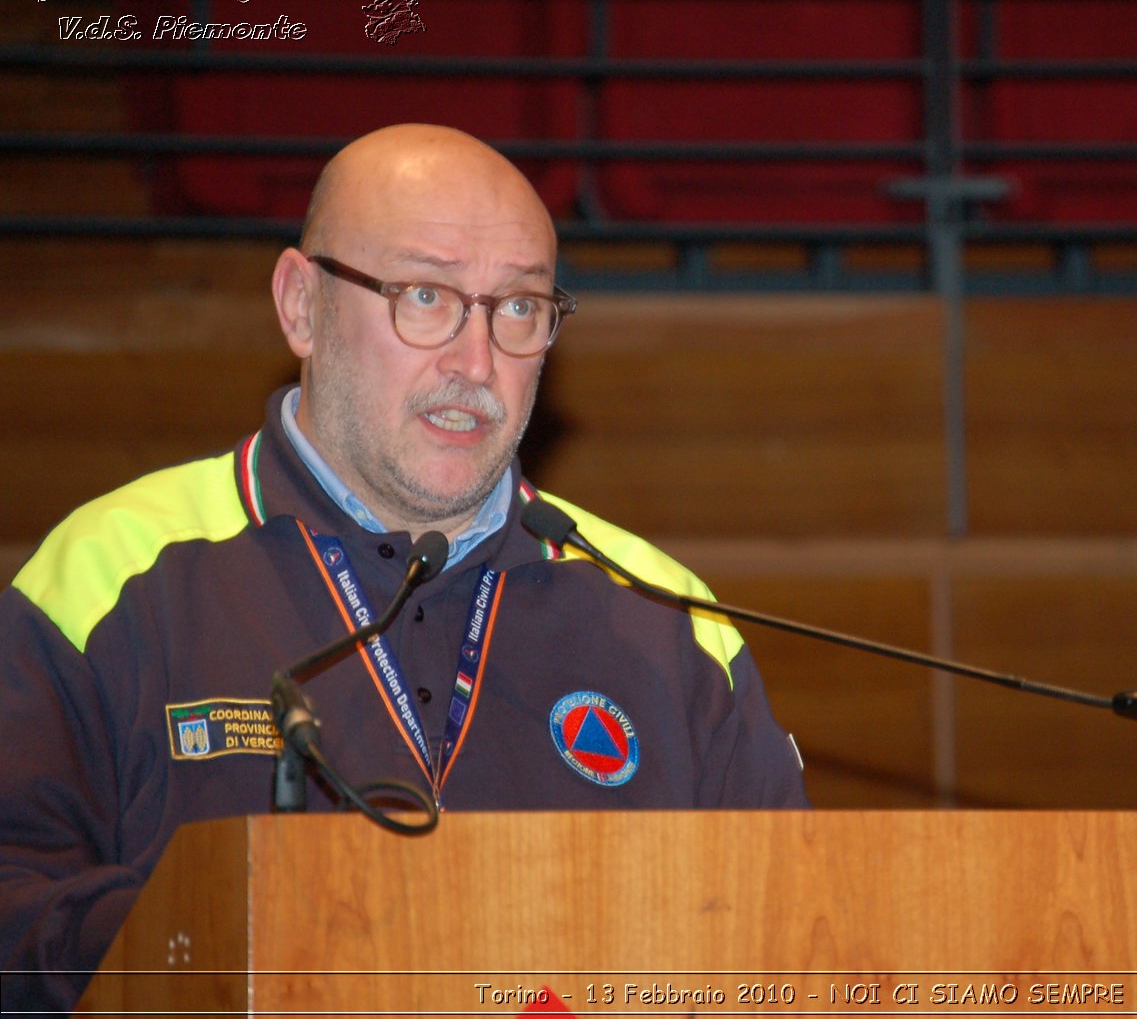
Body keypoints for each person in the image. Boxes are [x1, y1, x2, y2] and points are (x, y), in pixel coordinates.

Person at [0, 124, 808, 1014]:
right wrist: (224, 942)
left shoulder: (667, 619)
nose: (476, 362)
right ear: (301, 305)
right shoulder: (111, 575)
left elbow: (782, 954)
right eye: (425, 295)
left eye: (519, 309)